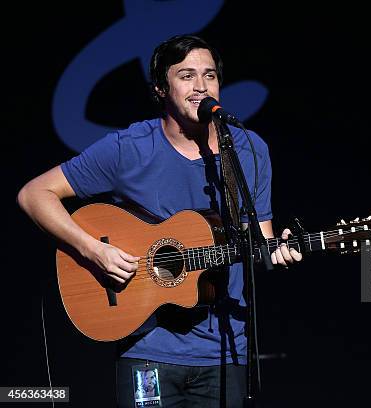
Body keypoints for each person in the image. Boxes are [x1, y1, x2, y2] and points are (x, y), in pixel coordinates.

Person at [17, 34, 302, 407]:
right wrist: (92, 250)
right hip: (146, 347)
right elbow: (34, 194)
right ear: (160, 89)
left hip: (225, 350)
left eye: (210, 75)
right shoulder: (128, 149)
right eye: (186, 76)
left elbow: (258, 243)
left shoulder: (248, 149)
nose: (201, 86)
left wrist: (279, 250)